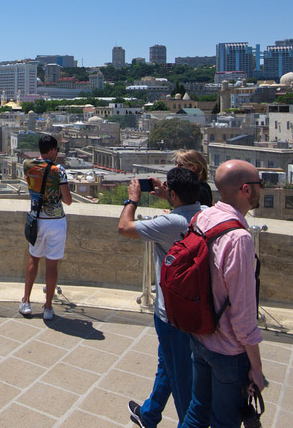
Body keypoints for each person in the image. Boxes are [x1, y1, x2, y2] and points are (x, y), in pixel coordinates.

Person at [181, 159, 266, 428]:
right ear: (246, 189)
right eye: (259, 184)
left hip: (201, 335)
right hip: (228, 350)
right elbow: (242, 313)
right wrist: (257, 368)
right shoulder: (239, 238)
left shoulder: (202, 217)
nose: (261, 189)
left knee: (197, 411)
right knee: (224, 422)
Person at [118, 168, 204, 428]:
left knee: (183, 388)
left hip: (171, 314)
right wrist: (170, 196)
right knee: (167, 365)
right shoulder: (207, 215)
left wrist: (133, 199)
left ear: (175, 193)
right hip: (198, 308)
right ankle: (149, 414)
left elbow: (125, 227)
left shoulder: (171, 223)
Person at [20, 134, 72, 320]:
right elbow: (68, 200)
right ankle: (48, 306)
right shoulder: (59, 170)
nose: (57, 153)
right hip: (55, 221)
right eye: (56, 150)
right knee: (51, 266)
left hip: (36, 219)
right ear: (51, 150)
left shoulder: (27, 165)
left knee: (33, 260)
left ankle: (26, 301)